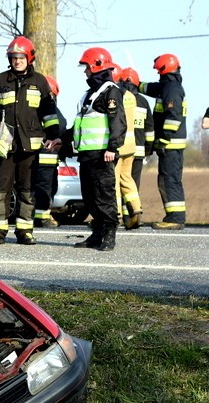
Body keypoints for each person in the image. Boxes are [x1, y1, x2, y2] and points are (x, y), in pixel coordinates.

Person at [0, 36, 60, 246]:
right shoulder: (0, 81)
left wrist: (53, 135)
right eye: (14, 57)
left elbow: (49, 113)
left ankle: (25, 231)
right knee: (0, 188)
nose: (17, 61)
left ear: (29, 58)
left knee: (27, 189)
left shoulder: (39, 82)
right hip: (5, 145)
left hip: (29, 146)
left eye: (21, 57)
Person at [58, 47, 126, 251]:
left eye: (86, 67)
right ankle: (97, 233)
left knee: (104, 195)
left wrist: (112, 147)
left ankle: (109, 234)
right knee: (89, 197)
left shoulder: (110, 91)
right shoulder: (90, 94)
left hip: (103, 155)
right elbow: (80, 124)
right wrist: (62, 140)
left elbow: (118, 122)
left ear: (97, 65)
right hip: (87, 154)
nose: (85, 71)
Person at [139, 53, 188, 230]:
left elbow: (173, 117)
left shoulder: (171, 89)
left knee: (169, 180)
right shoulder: (169, 86)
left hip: (170, 143)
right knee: (170, 179)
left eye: (158, 71)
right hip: (172, 144)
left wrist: (162, 139)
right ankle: (175, 217)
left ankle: (175, 218)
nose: (157, 74)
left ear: (163, 70)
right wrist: (136, 83)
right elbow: (152, 88)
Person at [108, 63, 143, 230]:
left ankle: (116, 215)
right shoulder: (130, 95)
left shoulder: (113, 94)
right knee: (127, 178)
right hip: (130, 144)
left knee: (114, 181)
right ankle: (136, 209)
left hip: (118, 145)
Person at [33, 75, 68, 228]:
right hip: (46, 156)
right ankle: (42, 217)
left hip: (40, 156)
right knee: (45, 188)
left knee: (39, 187)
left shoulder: (32, 109)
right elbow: (60, 126)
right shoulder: (49, 108)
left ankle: (38, 215)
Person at [120, 67, 154, 194]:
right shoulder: (144, 102)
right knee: (133, 185)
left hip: (121, 150)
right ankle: (133, 207)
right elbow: (149, 130)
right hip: (138, 152)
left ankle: (122, 207)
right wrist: (148, 150)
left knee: (119, 184)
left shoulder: (118, 98)